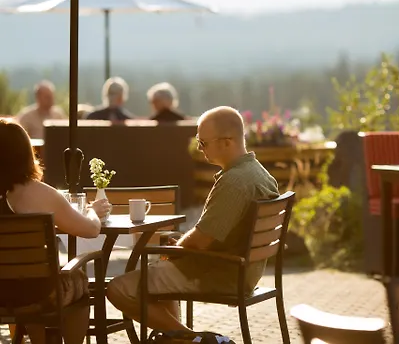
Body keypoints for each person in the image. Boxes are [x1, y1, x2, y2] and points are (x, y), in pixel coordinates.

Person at [107, 106, 279, 332]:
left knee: (119, 289)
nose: (199, 148)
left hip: (217, 274)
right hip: (244, 273)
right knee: (162, 265)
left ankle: (189, 339)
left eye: (203, 143)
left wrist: (177, 248)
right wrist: (179, 247)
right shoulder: (261, 174)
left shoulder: (234, 182)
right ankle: (176, 338)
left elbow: (200, 241)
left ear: (227, 142)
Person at [0, 118, 111, 344]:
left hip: (2, 293)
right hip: (39, 294)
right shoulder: (40, 193)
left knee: (30, 278)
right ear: (26, 153)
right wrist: (92, 211)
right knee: (76, 278)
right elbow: (91, 229)